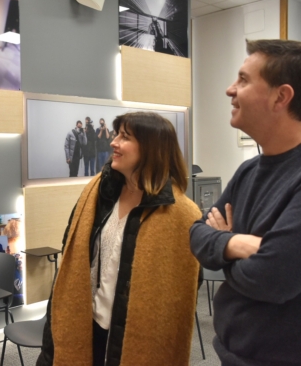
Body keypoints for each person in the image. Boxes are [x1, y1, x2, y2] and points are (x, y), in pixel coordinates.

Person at [37, 112, 202, 366]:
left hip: (135, 339)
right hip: (88, 325)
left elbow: (184, 288)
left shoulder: (182, 214)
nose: (113, 142)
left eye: (125, 137)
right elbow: (70, 266)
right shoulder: (98, 194)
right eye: (116, 135)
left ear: (151, 148)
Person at [189, 39, 301, 366]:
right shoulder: (249, 170)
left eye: (243, 80)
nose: (229, 89)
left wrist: (221, 248)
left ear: (281, 97)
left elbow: (272, 278)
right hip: (232, 353)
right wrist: (238, 242)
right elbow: (196, 234)